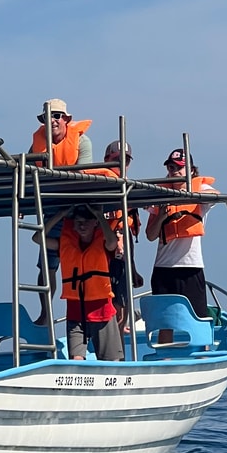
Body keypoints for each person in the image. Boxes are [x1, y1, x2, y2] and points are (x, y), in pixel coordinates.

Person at [29, 98, 93, 325]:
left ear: (66, 119)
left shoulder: (82, 142)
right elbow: (28, 174)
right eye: (48, 117)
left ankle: (84, 309)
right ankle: (46, 313)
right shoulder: (38, 145)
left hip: (77, 209)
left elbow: (85, 177)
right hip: (51, 206)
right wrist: (20, 204)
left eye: (56, 115)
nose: (52, 120)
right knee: (47, 265)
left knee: (81, 261)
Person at [145, 149, 217, 337]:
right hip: (163, 268)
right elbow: (150, 235)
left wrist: (187, 193)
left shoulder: (200, 190)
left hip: (191, 267)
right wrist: (161, 215)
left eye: (179, 167)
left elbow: (216, 195)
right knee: (164, 322)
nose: (174, 171)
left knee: (198, 319)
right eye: (171, 167)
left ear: (191, 170)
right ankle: (164, 360)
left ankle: (202, 358)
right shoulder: (159, 195)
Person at [44, 203, 123, 361]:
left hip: (102, 311)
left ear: (95, 223)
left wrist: (99, 216)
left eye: (87, 221)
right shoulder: (66, 244)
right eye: (78, 221)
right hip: (76, 311)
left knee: (111, 360)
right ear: (72, 225)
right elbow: (38, 238)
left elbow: (112, 242)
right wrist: (60, 215)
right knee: (76, 359)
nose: (82, 225)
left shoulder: (104, 243)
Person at [101, 140, 143, 332]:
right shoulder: (98, 187)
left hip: (125, 258)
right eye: (117, 160)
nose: (121, 165)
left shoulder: (132, 191)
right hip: (104, 257)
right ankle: (112, 349)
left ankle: (120, 349)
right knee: (112, 309)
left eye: (125, 161)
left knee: (123, 308)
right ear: (106, 160)